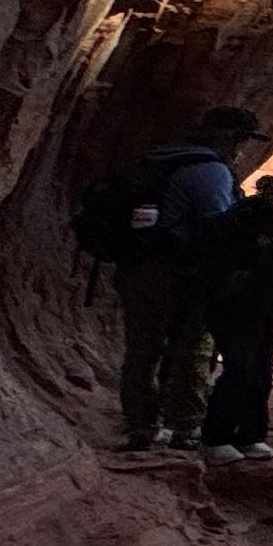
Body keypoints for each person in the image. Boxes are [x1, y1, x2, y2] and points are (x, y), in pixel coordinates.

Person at [105, 106, 258, 447]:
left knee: (142, 350)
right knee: (194, 346)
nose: (243, 148)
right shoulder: (211, 171)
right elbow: (217, 227)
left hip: (140, 267)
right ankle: (186, 429)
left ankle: (140, 428)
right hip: (182, 272)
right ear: (228, 137)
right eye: (243, 139)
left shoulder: (163, 159)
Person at [194, 165, 273, 460]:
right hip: (237, 304)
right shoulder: (246, 216)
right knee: (240, 366)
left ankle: (250, 434)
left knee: (262, 367)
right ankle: (214, 437)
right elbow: (217, 260)